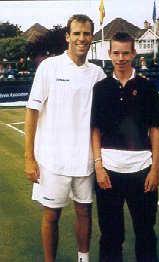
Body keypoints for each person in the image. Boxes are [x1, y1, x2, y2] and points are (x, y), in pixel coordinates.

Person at [24, 14, 105, 262]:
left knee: (84, 211)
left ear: (91, 37)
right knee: (52, 215)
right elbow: (32, 112)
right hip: (52, 160)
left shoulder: (98, 73)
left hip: (85, 160)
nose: (82, 38)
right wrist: (29, 157)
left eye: (86, 34)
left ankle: (84, 258)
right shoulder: (49, 67)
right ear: (68, 36)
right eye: (77, 33)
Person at [91, 32, 159, 262]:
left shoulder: (147, 87)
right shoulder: (101, 88)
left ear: (134, 53)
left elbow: (155, 129)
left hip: (142, 172)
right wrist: (99, 167)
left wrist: (155, 169)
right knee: (111, 236)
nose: (121, 57)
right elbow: (95, 130)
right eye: (116, 52)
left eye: (126, 52)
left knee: (145, 233)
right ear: (110, 54)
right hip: (109, 174)